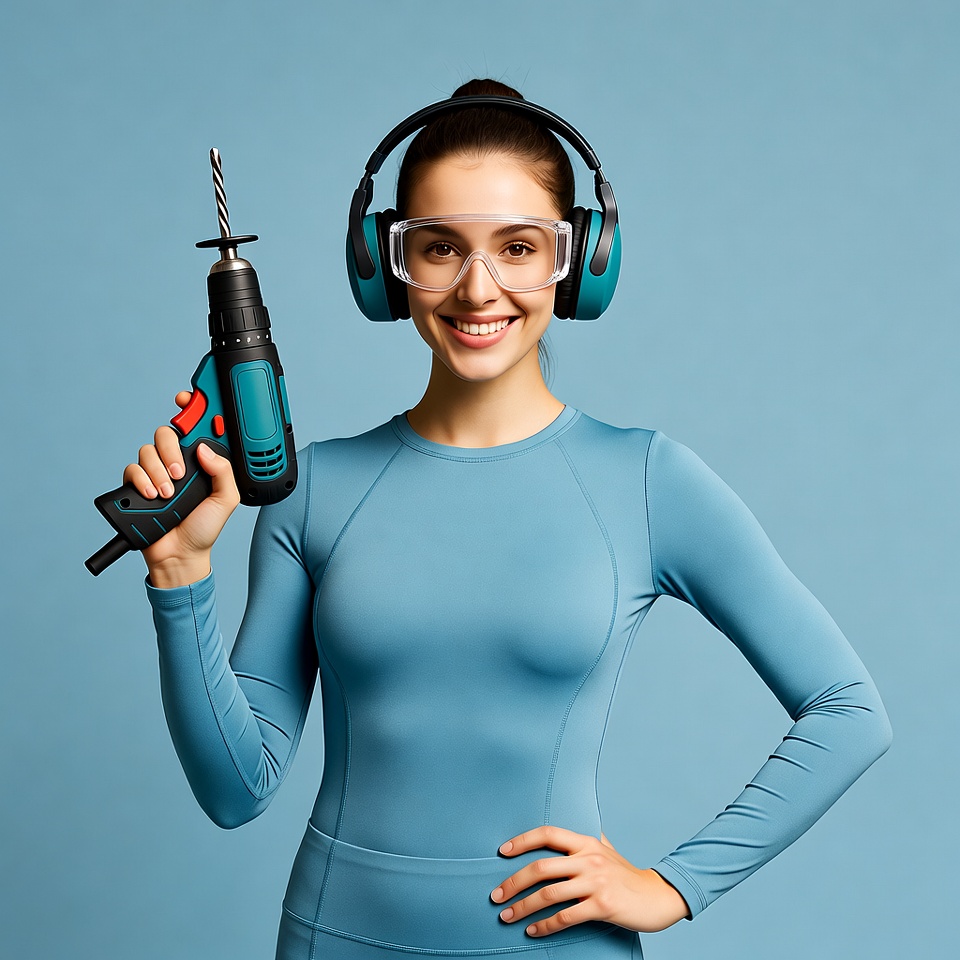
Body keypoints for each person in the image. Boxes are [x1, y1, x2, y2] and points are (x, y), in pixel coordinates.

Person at [127, 80, 891, 959]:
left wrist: (676, 885)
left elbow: (848, 711)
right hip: (335, 939)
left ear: (578, 262)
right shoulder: (312, 486)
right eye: (441, 246)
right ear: (384, 265)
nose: (478, 287)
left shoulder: (648, 479)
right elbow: (236, 789)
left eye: (519, 247)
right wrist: (181, 575)